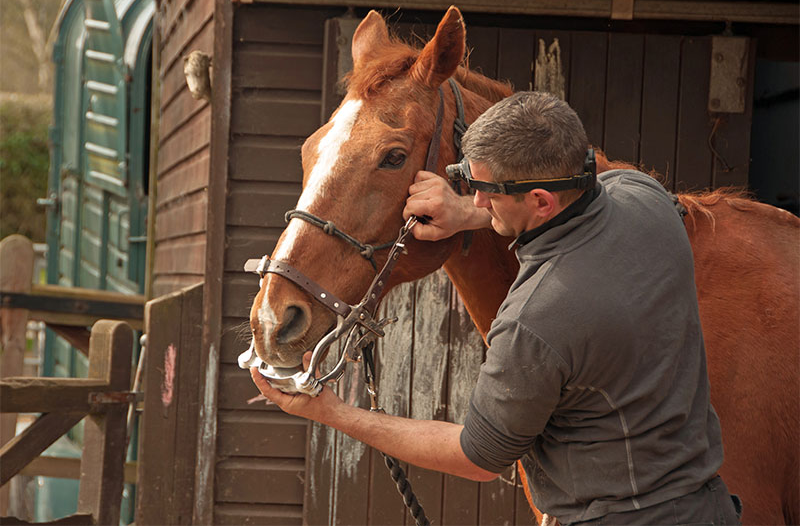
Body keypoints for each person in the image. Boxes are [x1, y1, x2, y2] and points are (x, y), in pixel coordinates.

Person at [250, 91, 741, 525]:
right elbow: (603, 181)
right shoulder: (647, 202)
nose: (474, 198)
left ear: (542, 202)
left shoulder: (538, 317)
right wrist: (464, 214)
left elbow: (477, 457)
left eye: (485, 191)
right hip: (708, 507)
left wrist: (335, 413)